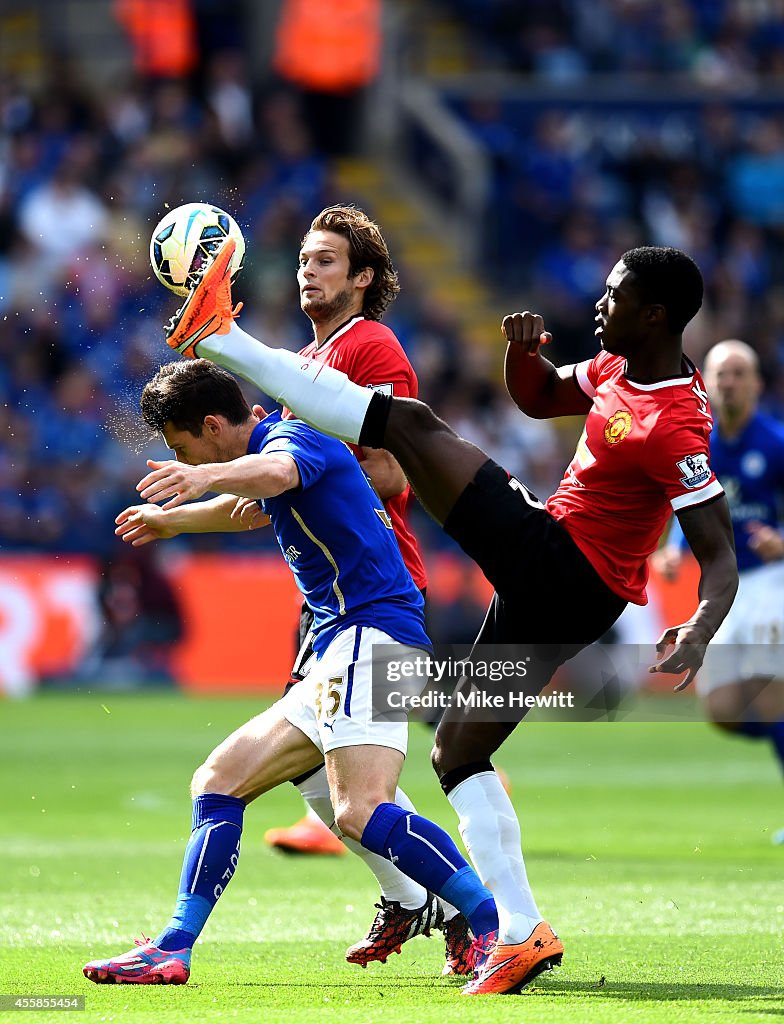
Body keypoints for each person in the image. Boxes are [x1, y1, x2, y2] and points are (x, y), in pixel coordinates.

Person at [164, 239, 738, 994]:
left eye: (616, 294)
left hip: (569, 569)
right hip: (548, 581)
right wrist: (523, 355)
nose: (601, 304)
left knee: (409, 422)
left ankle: (222, 339)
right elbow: (537, 396)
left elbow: (718, 555)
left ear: (656, 314)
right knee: (456, 752)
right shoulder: (616, 368)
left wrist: (700, 626)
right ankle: (520, 930)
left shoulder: (676, 423)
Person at [83, 359, 499, 990]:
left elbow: (272, 474)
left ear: (215, 426)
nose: (179, 458)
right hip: (339, 647)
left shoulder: (294, 437)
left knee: (360, 811)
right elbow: (251, 509)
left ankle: (490, 922)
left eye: (181, 446)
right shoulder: (272, 454)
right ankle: (172, 948)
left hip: (373, 636)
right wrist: (175, 519)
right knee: (218, 781)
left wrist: (201, 476)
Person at [251, 205, 471, 972]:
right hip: (333, 596)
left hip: (383, 588)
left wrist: (297, 464)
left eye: (326, 261)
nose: (307, 271)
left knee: (358, 792)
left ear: (364, 277)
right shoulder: (314, 359)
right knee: (317, 773)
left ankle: (474, 912)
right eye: (304, 260)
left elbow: (395, 466)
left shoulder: (370, 347)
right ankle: (420, 902)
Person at [654, 340, 784, 841]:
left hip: (771, 584)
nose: (727, 382)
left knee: (772, 700)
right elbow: (687, 506)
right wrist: (672, 548)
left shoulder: (774, 443)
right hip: (723, 589)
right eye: (720, 373)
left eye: (738, 373)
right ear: (705, 381)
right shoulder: (698, 441)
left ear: (756, 384)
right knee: (724, 711)